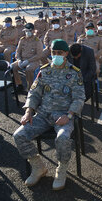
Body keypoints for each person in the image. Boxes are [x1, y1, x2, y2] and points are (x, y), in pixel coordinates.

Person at [13, 39, 85, 191]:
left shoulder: (74, 73)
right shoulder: (44, 71)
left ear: (66, 53)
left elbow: (79, 98)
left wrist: (70, 115)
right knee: (19, 135)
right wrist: (28, 111)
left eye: (59, 53)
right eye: (53, 53)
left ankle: (62, 169)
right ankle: (38, 166)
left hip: (64, 116)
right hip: (44, 115)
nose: (56, 55)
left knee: (63, 138)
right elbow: (34, 93)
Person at [12, 23, 43, 91]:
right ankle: (19, 84)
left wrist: (28, 61)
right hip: (22, 59)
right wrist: (19, 59)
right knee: (12, 67)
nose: (27, 32)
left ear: (33, 31)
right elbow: (18, 51)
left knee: (28, 69)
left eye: (29, 31)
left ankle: (30, 88)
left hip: (33, 60)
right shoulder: (22, 39)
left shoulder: (37, 41)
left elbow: (39, 55)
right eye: (26, 31)